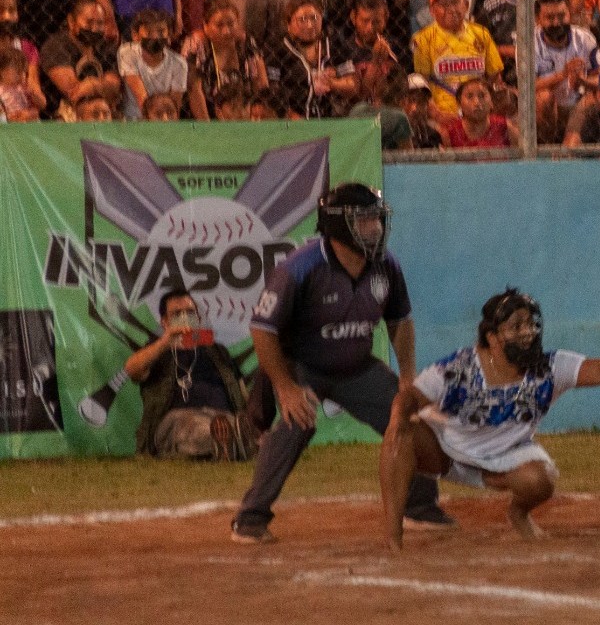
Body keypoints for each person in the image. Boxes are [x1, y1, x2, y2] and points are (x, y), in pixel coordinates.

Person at [232, 183, 453, 544]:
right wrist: (285, 388)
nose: (375, 228)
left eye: (377, 220)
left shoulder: (386, 265)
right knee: (296, 422)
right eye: (365, 221)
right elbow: (263, 330)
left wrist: (407, 378)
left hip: (356, 366)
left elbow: (400, 322)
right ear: (338, 225)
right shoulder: (299, 267)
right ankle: (250, 518)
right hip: (301, 365)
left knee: (410, 414)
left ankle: (420, 507)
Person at [380, 287, 600, 549]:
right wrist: (398, 419)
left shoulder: (550, 368)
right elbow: (409, 398)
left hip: (505, 459)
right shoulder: (459, 368)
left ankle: (518, 514)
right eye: (516, 326)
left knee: (540, 481)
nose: (527, 333)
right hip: (446, 451)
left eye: (530, 324)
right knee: (399, 435)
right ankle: (394, 538)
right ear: (492, 337)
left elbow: (599, 369)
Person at [117, 290, 255, 460]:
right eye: (177, 314)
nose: (184, 318)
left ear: (198, 317)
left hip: (222, 419)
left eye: (190, 312)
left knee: (243, 429)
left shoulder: (218, 351)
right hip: (178, 419)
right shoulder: (156, 351)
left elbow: (241, 391)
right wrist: (166, 341)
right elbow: (132, 369)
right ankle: (229, 445)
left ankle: (229, 444)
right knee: (196, 427)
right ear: (164, 322)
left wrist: (251, 419)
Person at [411, 0, 504, 120]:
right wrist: (436, 113)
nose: (451, 9)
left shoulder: (481, 33)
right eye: (443, 4)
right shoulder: (423, 39)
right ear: (432, 11)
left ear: (466, 4)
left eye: (455, 2)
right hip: (443, 112)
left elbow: (495, 75)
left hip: (478, 109)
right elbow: (422, 82)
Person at [265, 0, 358, 119]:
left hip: (329, 117)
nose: (309, 25)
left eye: (314, 18)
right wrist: (288, 114)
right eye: (302, 19)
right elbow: (270, 89)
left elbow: (353, 85)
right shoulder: (277, 49)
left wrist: (332, 83)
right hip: (291, 119)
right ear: (289, 24)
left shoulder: (333, 44)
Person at [184, 0, 269, 123]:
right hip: (208, 115)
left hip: (243, 113)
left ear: (238, 23)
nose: (226, 31)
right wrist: (207, 127)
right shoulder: (197, 43)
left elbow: (261, 84)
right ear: (206, 26)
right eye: (219, 25)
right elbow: (194, 90)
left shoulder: (246, 42)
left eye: (230, 24)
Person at [534, 0, 600, 145]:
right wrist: (563, 74)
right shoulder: (529, 43)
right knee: (544, 97)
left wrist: (583, 81)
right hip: (549, 107)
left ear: (569, 14)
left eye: (561, 16)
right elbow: (528, 87)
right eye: (550, 18)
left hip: (579, 103)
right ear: (538, 19)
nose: (557, 23)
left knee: (597, 96)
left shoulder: (584, 38)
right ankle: (545, 149)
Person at [39, 0, 122, 120]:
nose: (94, 29)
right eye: (89, 22)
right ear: (71, 22)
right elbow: (73, 91)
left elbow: (114, 88)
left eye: (100, 23)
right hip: (60, 115)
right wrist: (102, 85)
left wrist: (92, 84)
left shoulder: (105, 46)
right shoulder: (56, 46)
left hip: (102, 111)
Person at [118, 9, 186, 121]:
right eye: (149, 32)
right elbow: (141, 97)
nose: (155, 37)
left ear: (169, 34)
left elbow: (174, 105)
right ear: (135, 35)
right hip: (133, 119)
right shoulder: (127, 52)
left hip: (165, 119)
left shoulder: (179, 63)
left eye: (161, 32)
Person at [442, 76, 518, 147]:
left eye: (482, 96)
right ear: (459, 103)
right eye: (469, 96)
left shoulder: (505, 128)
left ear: (492, 101)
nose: (477, 102)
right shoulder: (449, 134)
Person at [0, 44, 37, 121]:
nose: (22, 75)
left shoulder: (23, 89)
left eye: (24, 71)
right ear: (2, 71)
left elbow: (37, 110)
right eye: (17, 72)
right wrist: (9, 117)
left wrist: (29, 114)